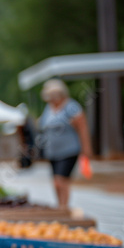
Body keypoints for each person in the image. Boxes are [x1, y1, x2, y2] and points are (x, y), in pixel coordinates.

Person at [37, 79, 92, 209]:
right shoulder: (48, 108)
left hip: (68, 150)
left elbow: (82, 127)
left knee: (61, 181)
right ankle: (60, 205)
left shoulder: (71, 106)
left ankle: (64, 207)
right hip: (53, 152)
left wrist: (86, 148)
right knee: (55, 182)